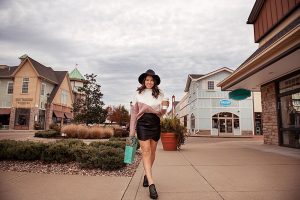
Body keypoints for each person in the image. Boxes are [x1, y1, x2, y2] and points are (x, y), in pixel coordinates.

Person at [129, 69, 168, 199]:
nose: (149, 82)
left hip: (155, 123)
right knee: (145, 152)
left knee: (152, 152)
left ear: (155, 81)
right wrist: (132, 131)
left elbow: (162, 113)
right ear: (143, 81)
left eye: (152, 80)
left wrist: (164, 108)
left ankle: (146, 174)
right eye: (147, 80)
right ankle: (152, 184)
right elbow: (134, 113)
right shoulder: (137, 93)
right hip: (142, 124)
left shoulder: (160, 93)